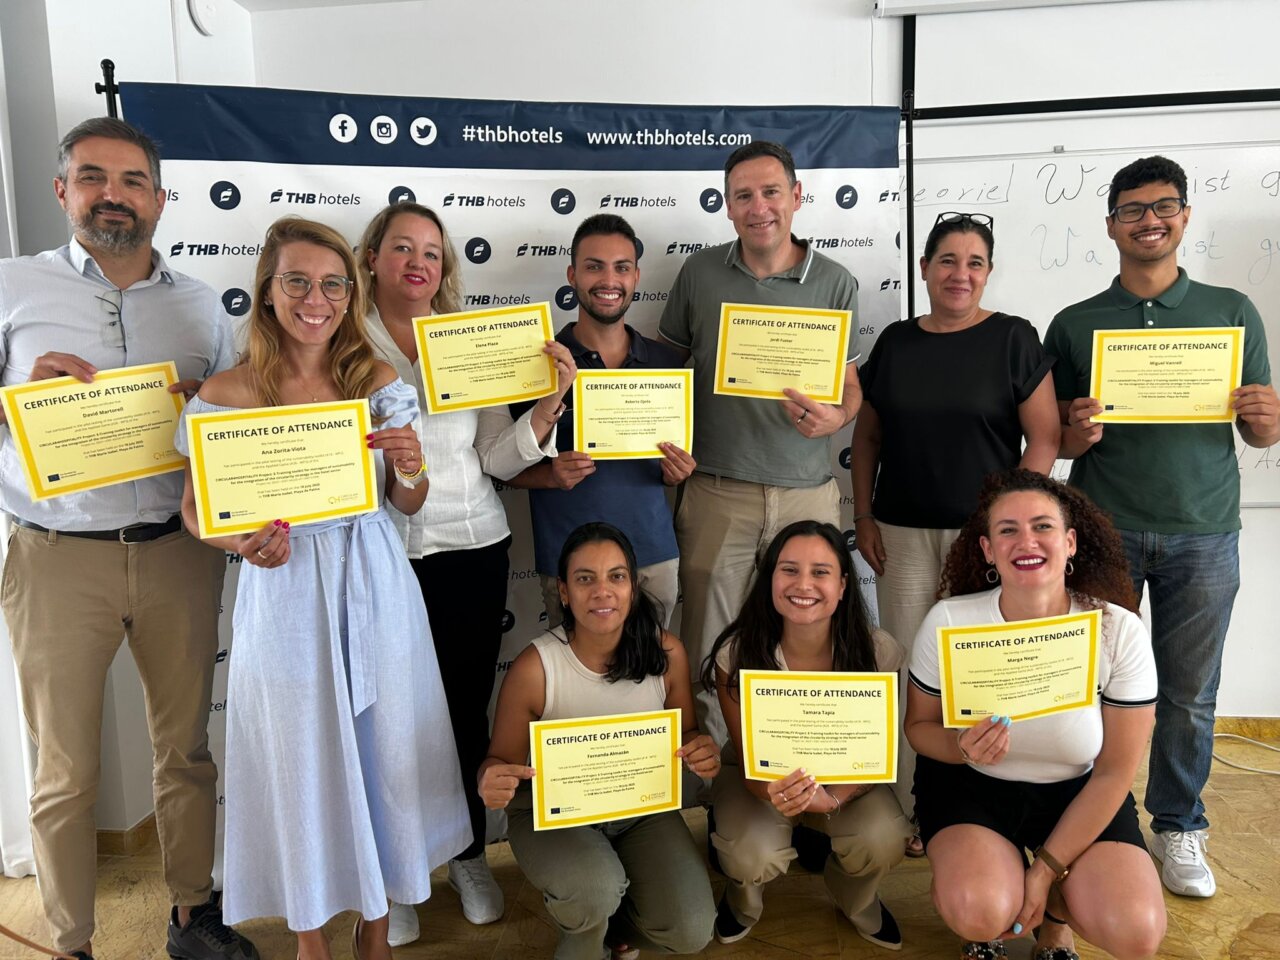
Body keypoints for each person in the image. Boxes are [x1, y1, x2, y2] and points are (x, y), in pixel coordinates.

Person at [176, 217, 471, 960]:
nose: (317, 299)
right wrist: (238, 542)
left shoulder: (377, 383)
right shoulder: (226, 392)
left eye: (333, 284)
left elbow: (408, 502)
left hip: (373, 578)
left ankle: (376, 929)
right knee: (299, 759)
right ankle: (310, 936)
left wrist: (411, 465)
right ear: (268, 291)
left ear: (350, 292)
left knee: (385, 751)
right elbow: (195, 510)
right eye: (298, 282)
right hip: (282, 589)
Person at [0, 117, 257, 960]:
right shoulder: (11, 287)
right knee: (65, 769)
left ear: (160, 197)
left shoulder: (200, 303)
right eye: (93, 178)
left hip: (177, 551)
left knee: (185, 751)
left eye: (132, 180)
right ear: (62, 190)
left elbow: (228, 428)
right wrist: (15, 398)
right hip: (56, 558)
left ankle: (190, 915)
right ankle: (70, 941)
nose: (113, 195)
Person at [1044, 155, 1280, 898]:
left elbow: (1261, 434)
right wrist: (1078, 431)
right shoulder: (1074, 323)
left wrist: (1268, 418)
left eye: (1163, 207)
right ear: (1111, 224)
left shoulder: (1232, 310)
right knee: (1084, 684)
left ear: (1184, 217)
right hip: (1100, 529)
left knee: (1188, 691)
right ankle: (1086, 822)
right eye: (1133, 209)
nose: (1149, 220)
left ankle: (1178, 824)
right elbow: (1056, 440)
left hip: (1203, 531)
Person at [356, 201, 576, 942]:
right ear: (373, 258)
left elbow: (494, 456)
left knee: (460, 709)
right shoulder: (343, 341)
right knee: (388, 716)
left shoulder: (466, 342)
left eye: (431, 251)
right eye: (402, 248)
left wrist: (547, 407)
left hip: (473, 547)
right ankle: (400, 873)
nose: (418, 262)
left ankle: (469, 854)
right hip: (380, 552)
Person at [850, 211, 1059, 850]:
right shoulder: (895, 343)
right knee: (913, 673)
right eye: (947, 260)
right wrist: (862, 515)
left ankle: (985, 802)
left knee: (982, 672)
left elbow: (1045, 439)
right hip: (902, 533)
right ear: (924, 269)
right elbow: (867, 437)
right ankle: (918, 808)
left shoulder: (1014, 338)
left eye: (974, 263)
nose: (960, 274)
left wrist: (1010, 528)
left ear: (988, 272)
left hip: (986, 540)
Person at [906, 469, 1166, 960]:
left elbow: (1115, 771)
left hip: (1078, 793)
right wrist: (960, 747)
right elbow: (917, 729)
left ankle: (1056, 916)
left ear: (1070, 543)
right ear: (988, 550)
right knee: (980, 908)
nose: (1026, 541)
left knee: (1137, 931)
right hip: (971, 786)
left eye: (1043, 526)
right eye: (1008, 530)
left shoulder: (1118, 630)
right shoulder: (950, 620)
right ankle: (989, 908)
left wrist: (1045, 870)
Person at [659, 141, 862, 745]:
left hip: (807, 497)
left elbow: (850, 388)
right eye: (743, 195)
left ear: (796, 197)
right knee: (707, 649)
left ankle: (799, 773)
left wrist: (837, 417)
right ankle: (718, 787)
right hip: (716, 492)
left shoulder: (835, 282)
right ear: (727, 206)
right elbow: (663, 373)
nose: (758, 207)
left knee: (807, 647)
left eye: (771, 192)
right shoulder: (698, 274)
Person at [479, 522, 718, 960]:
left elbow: (686, 733)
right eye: (585, 578)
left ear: (633, 587)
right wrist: (491, 778)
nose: (602, 591)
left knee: (691, 929)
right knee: (593, 888)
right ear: (564, 592)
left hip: (639, 808)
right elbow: (499, 761)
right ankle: (584, 931)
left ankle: (608, 924)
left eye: (616, 577)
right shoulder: (536, 667)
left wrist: (700, 750)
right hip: (551, 813)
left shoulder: (666, 653)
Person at [703, 519, 910, 948]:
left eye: (820, 572)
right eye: (789, 570)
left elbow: (875, 754)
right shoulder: (736, 652)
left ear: (843, 585)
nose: (803, 584)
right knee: (748, 851)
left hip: (845, 784)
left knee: (885, 838)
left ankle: (857, 899)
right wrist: (780, 794)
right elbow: (749, 761)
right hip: (762, 783)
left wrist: (831, 799)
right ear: (770, 579)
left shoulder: (878, 651)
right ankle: (743, 902)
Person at [507, 213, 695, 628]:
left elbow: (670, 462)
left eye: (621, 268)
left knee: (651, 668)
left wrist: (677, 473)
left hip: (653, 557)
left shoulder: (666, 364)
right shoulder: (538, 364)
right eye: (594, 267)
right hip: (571, 562)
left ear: (636, 277)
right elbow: (502, 467)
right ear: (572, 275)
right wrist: (550, 475)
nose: (609, 280)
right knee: (576, 672)